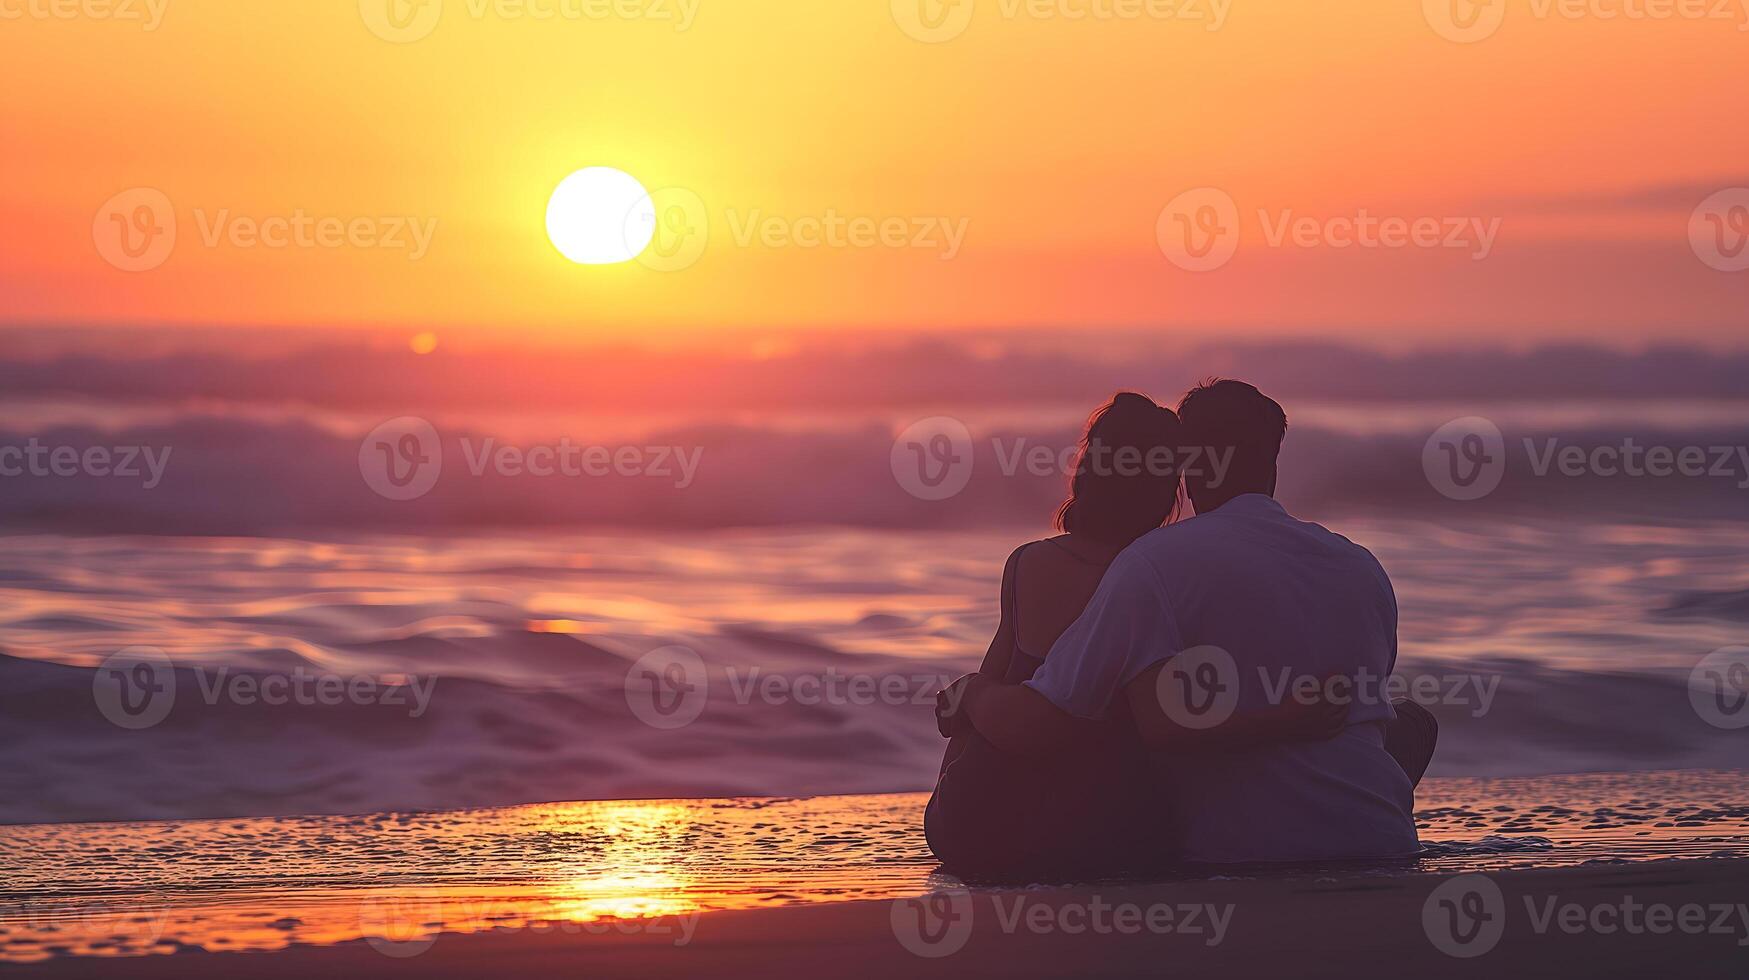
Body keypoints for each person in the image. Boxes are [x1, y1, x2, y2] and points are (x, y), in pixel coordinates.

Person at [942, 380, 1435, 870]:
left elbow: (1049, 719)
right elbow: (1360, 707)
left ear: (1187, 465)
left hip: (1250, 851)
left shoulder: (1154, 562)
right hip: (1385, 839)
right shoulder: (1361, 566)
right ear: (1273, 461)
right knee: (1407, 720)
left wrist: (973, 692)